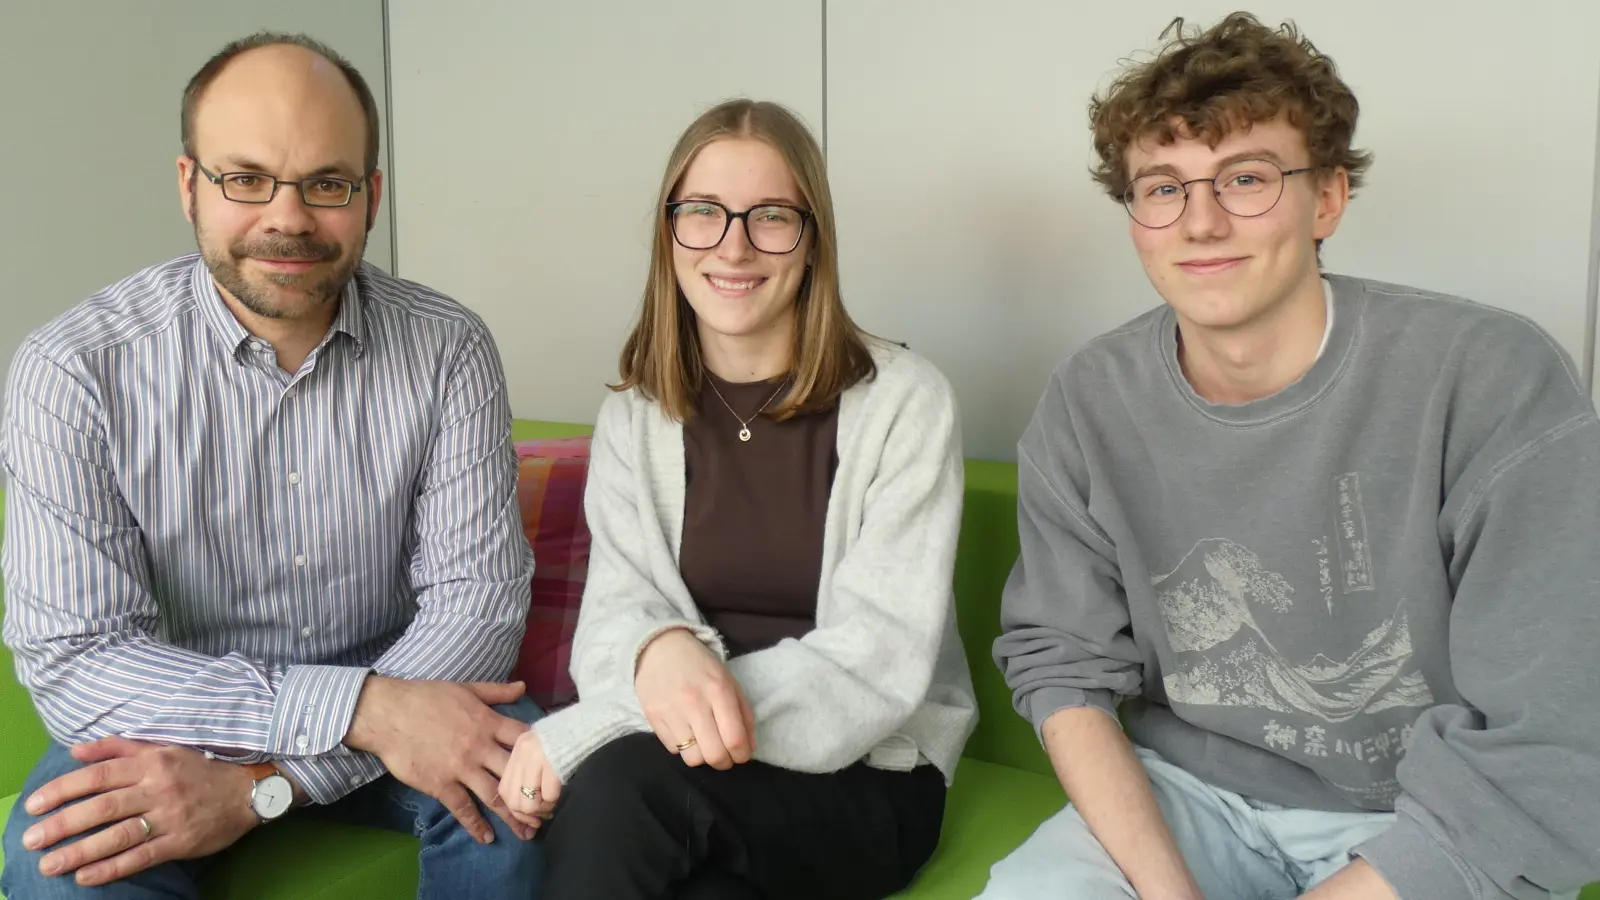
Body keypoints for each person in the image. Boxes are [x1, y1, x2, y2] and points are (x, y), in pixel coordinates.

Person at [982, 12, 1600, 900]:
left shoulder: (1490, 378)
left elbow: (1558, 741)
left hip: (1429, 820)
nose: (1200, 221)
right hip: (1185, 801)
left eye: (1246, 178)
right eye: (1162, 187)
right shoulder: (1089, 400)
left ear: (1330, 199)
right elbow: (1060, 664)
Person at [0, 32, 545, 900]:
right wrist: (362, 710)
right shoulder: (72, 372)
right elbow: (80, 661)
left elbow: (477, 607)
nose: (286, 219)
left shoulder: (449, 349)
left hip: (418, 698)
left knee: (529, 798)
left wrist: (268, 788)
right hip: (180, 726)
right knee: (58, 864)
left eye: (326, 184)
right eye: (245, 179)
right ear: (190, 186)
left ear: (370, 196)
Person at [495, 98, 977, 899]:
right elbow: (614, 622)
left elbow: (877, 661)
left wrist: (600, 723)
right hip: (680, 772)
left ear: (813, 237)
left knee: (615, 790)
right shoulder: (635, 416)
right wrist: (655, 652)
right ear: (669, 232)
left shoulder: (906, 404)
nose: (735, 246)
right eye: (704, 213)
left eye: (772, 217)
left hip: (866, 772)